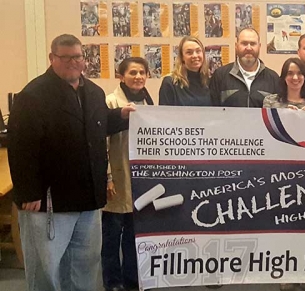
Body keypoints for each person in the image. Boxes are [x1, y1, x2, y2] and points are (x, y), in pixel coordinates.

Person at [7, 34, 135, 291]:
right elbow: (20, 147)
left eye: (77, 56)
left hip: (88, 200)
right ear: (52, 58)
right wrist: (28, 192)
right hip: (48, 201)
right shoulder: (32, 95)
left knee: (85, 265)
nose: (72, 62)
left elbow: (96, 125)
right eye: (65, 58)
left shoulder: (94, 92)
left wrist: (120, 115)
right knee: (47, 268)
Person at [103, 57, 154, 291]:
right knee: (112, 235)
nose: (138, 77)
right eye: (132, 72)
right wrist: (108, 176)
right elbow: (101, 143)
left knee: (136, 234)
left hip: (140, 179)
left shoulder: (149, 102)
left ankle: (133, 278)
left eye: (142, 72)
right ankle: (113, 281)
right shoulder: (110, 102)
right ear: (121, 76)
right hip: (118, 178)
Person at [210, 27, 280, 107]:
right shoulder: (220, 75)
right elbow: (213, 112)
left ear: (259, 46)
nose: (249, 48)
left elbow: (276, 113)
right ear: (236, 46)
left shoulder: (273, 78)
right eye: (244, 43)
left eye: (253, 44)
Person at [159, 36, 211, 106]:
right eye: (189, 52)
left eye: (198, 51)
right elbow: (163, 114)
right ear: (182, 57)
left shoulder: (209, 81)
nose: (195, 56)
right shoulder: (170, 83)